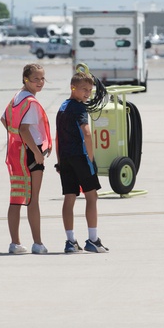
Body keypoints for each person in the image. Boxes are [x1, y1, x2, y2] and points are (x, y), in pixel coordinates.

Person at [0, 64, 51, 254]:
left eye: (42, 79)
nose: (39, 82)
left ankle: (15, 243)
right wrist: (36, 152)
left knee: (16, 197)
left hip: (16, 153)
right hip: (30, 151)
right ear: (25, 79)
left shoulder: (16, 98)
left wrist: (16, 139)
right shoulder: (30, 102)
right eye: (35, 79)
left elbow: (5, 119)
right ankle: (37, 243)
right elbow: (24, 129)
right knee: (33, 199)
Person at [55, 71, 106, 253]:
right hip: (80, 157)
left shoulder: (62, 107)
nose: (87, 93)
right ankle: (93, 240)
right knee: (92, 196)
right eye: (84, 89)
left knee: (70, 197)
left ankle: (70, 241)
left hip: (66, 158)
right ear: (73, 87)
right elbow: (87, 133)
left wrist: (59, 161)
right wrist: (90, 160)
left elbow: (58, 137)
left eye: (90, 90)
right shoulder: (79, 108)